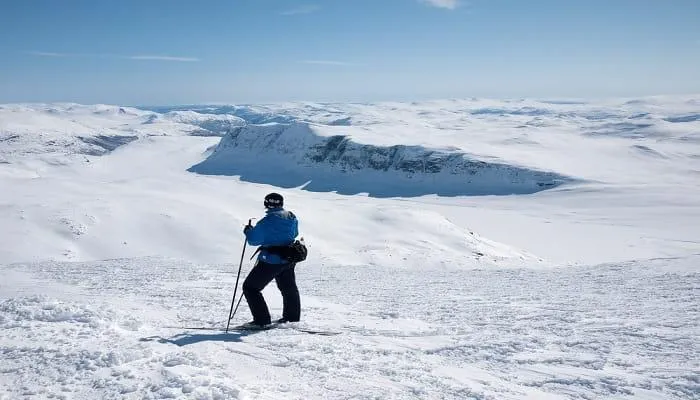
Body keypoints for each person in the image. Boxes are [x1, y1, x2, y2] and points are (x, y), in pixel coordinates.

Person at [241, 192, 301, 328]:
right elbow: (295, 233)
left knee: (251, 288)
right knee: (289, 288)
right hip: (289, 257)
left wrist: (248, 231)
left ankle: (261, 320)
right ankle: (292, 318)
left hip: (271, 260)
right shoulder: (291, 217)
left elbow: (252, 240)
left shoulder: (267, 221)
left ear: (266, 204)